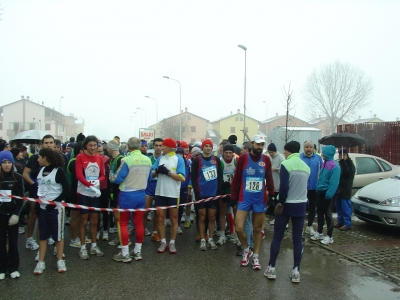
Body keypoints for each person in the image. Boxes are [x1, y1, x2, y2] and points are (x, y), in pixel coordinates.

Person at [264, 141, 310, 283]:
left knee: (277, 237)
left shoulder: (286, 164)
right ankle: (296, 271)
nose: (284, 153)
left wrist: (280, 202)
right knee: (297, 239)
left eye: (285, 151)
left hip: (286, 205)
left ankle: (271, 268)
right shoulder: (306, 167)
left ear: (288, 151)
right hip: (301, 204)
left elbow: (284, 187)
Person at [230, 134, 274, 270]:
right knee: (238, 227)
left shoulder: (266, 159)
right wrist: (233, 196)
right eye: (258, 144)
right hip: (244, 198)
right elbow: (237, 178)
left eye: (262, 145)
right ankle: (246, 249)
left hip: (259, 199)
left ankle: (255, 256)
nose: (260, 147)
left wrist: (271, 194)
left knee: (257, 229)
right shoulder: (243, 158)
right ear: (252, 144)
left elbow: (269, 178)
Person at [110, 137, 152, 262]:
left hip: (127, 194)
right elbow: (149, 178)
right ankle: (137, 252)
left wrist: (111, 176)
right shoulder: (148, 160)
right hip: (141, 194)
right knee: (139, 223)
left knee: (123, 223)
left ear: (128, 147)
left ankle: (125, 253)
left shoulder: (126, 160)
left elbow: (117, 179)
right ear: (139, 146)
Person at [34, 148, 70, 274]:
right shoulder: (41, 170)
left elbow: (66, 190)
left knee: (58, 236)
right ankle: (41, 262)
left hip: (56, 209)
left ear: (45, 158)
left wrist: (54, 202)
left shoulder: (58, 171)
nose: (38, 159)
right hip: (42, 208)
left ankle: (60, 260)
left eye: (39, 157)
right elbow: (39, 188)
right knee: (42, 236)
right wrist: (38, 204)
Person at [23, 134, 56, 251]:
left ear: (54, 144)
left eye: (51, 142)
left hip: (51, 193)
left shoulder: (58, 158)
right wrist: (34, 184)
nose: (48, 145)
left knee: (49, 215)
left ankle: (48, 236)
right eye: (46, 143)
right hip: (36, 192)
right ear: (42, 145)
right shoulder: (35, 158)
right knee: (34, 214)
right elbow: (25, 174)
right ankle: (29, 239)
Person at [152, 138, 185, 254]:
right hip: (160, 192)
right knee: (160, 219)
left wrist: (168, 173)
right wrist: (157, 170)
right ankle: (163, 241)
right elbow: (152, 174)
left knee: (173, 219)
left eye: (163, 146)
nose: (161, 148)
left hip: (173, 194)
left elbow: (182, 177)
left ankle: (172, 242)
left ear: (169, 147)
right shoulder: (160, 158)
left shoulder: (179, 159)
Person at [75, 135, 106, 259]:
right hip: (84, 193)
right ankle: (83, 248)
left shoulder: (99, 158)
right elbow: (78, 175)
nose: (93, 148)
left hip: (95, 193)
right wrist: (89, 185)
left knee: (95, 221)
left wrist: (98, 181)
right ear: (85, 146)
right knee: (83, 221)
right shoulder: (80, 157)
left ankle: (94, 246)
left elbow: (103, 175)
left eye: (95, 145)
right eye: (90, 145)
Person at [191, 139, 223, 251]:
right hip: (201, 194)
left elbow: (220, 176)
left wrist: (218, 192)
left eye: (210, 146)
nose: (208, 148)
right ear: (202, 148)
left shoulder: (216, 160)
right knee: (202, 217)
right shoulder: (197, 160)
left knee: (212, 217)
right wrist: (197, 193)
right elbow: (194, 178)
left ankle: (210, 239)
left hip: (213, 194)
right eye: (206, 146)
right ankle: (203, 239)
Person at [0, 151, 24, 280]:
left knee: (13, 242)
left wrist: (16, 214)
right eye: (4, 163)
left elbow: (21, 198)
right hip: (1, 215)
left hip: (12, 215)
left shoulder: (18, 177)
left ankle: (13, 268)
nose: (7, 165)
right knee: (1, 241)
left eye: (9, 162)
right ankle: (2, 268)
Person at [311, 145, 341, 245]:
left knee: (328, 214)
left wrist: (328, 195)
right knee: (319, 213)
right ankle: (319, 232)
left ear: (327, 153)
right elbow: (321, 178)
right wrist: (318, 188)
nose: (322, 154)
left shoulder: (335, 166)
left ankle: (329, 235)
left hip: (328, 193)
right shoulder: (324, 163)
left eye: (323, 152)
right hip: (321, 191)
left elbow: (334, 183)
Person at [300, 140, 323, 236]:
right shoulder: (299, 157)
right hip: (302, 187)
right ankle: (300, 226)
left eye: (310, 147)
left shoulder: (318, 158)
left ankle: (309, 226)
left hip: (314, 187)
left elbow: (321, 171)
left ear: (313, 148)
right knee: (302, 207)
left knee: (313, 208)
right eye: (306, 147)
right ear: (304, 148)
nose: (308, 149)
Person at [143, 138, 163, 241]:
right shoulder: (148, 159)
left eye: (160, 145)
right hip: (149, 186)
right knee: (145, 211)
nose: (159, 147)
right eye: (156, 145)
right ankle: (141, 232)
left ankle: (155, 233)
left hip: (160, 186)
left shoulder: (165, 158)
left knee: (158, 213)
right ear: (153, 146)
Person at [216, 144, 236, 246]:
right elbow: (218, 177)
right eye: (226, 153)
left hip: (233, 191)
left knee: (236, 212)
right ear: (223, 153)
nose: (228, 155)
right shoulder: (220, 162)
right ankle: (222, 233)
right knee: (222, 212)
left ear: (233, 153)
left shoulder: (236, 161)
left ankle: (235, 234)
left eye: (230, 153)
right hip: (224, 191)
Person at [334, 149, 355, 231]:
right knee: (339, 207)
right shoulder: (339, 163)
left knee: (345, 207)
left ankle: (347, 224)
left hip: (345, 189)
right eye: (340, 155)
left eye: (343, 155)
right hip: (339, 188)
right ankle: (340, 221)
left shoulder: (350, 164)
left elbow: (347, 173)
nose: (341, 157)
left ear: (347, 155)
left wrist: (343, 162)